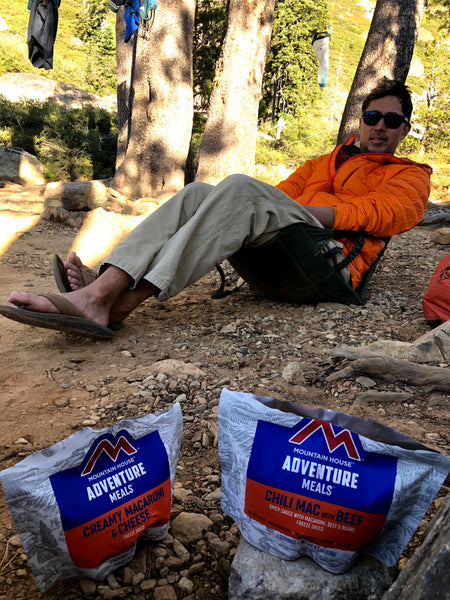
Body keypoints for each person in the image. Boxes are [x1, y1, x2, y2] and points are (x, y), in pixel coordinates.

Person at [0, 78, 432, 339]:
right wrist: (279, 207)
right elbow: (272, 196)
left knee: (243, 189)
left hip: (329, 270)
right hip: (286, 258)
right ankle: (108, 287)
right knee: (197, 194)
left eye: (391, 121)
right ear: (361, 119)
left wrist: (295, 211)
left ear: (403, 130)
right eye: (373, 116)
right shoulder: (325, 162)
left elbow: (388, 215)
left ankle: (111, 301)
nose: (380, 127)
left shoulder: (411, 175)